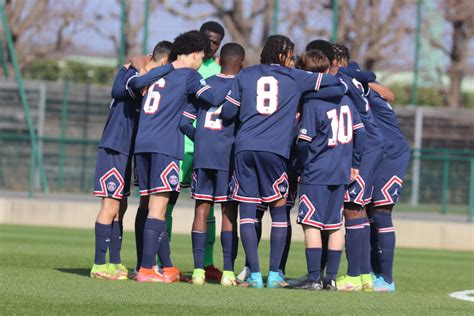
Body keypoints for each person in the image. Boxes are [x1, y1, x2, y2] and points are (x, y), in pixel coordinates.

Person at [221, 35, 343, 288]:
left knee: (247, 211)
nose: (292, 58)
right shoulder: (295, 77)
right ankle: (275, 273)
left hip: (244, 148)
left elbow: (228, 111)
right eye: (291, 54)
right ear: (282, 55)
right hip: (275, 151)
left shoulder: (246, 75)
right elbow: (337, 84)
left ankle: (254, 274)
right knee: (278, 210)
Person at [128, 30, 229, 283]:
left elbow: (137, 83)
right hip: (165, 146)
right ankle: (147, 269)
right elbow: (214, 98)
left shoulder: (161, 72)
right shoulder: (190, 76)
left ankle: (168, 267)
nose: (201, 62)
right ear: (195, 54)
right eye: (201, 57)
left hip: (142, 144)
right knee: (158, 208)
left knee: (154, 206)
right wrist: (232, 79)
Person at [90, 42, 175, 280]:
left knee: (122, 206)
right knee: (110, 205)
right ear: (163, 62)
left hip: (129, 150)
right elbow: (119, 90)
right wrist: (139, 67)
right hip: (115, 146)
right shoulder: (132, 74)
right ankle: (98, 265)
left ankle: (115, 262)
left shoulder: (146, 75)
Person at [306, 40, 384, 291]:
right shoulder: (353, 75)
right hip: (367, 143)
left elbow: (330, 93)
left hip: (363, 145)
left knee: (351, 208)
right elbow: (370, 76)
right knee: (356, 208)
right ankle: (363, 276)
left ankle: (353, 275)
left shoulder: (339, 80)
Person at [286, 50, 366, 291]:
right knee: (334, 225)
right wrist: (355, 164)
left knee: (311, 223)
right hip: (340, 170)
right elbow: (360, 132)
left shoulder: (313, 101)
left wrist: (300, 167)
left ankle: (313, 278)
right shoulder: (345, 98)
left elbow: (304, 141)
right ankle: (331, 278)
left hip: (316, 171)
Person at [180, 42, 245, 286]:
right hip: (228, 158)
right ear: (241, 62)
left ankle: (198, 271)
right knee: (229, 212)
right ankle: (228, 271)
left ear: (219, 61)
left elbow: (184, 123)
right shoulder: (243, 86)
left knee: (201, 209)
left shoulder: (203, 85)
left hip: (203, 156)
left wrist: (203, 140)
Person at [167, 21, 226, 281]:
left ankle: (207, 262)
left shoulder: (220, 69)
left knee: (207, 206)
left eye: (216, 42)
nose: (211, 46)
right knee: (165, 202)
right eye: (208, 40)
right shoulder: (182, 64)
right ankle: (161, 260)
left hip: (205, 149)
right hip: (179, 142)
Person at [347, 65, 410, 292]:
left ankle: (387, 279)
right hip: (377, 152)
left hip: (392, 153)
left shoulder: (362, 90)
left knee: (381, 211)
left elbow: (387, 92)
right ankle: (370, 273)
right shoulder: (364, 90)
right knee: (367, 210)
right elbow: (389, 92)